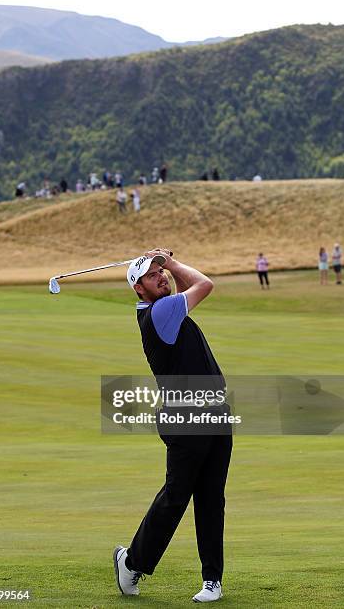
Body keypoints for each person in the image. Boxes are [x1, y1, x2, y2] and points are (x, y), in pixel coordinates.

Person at [114, 249, 232, 603]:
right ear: (139, 289)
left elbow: (186, 289)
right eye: (152, 275)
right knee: (176, 498)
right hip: (187, 417)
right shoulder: (161, 311)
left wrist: (165, 265)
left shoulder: (162, 309)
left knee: (211, 498)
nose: (161, 277)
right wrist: (172, 261)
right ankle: (131, 562)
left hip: (214, 412)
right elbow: (204, 284)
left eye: (160, 272)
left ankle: (212, 580)